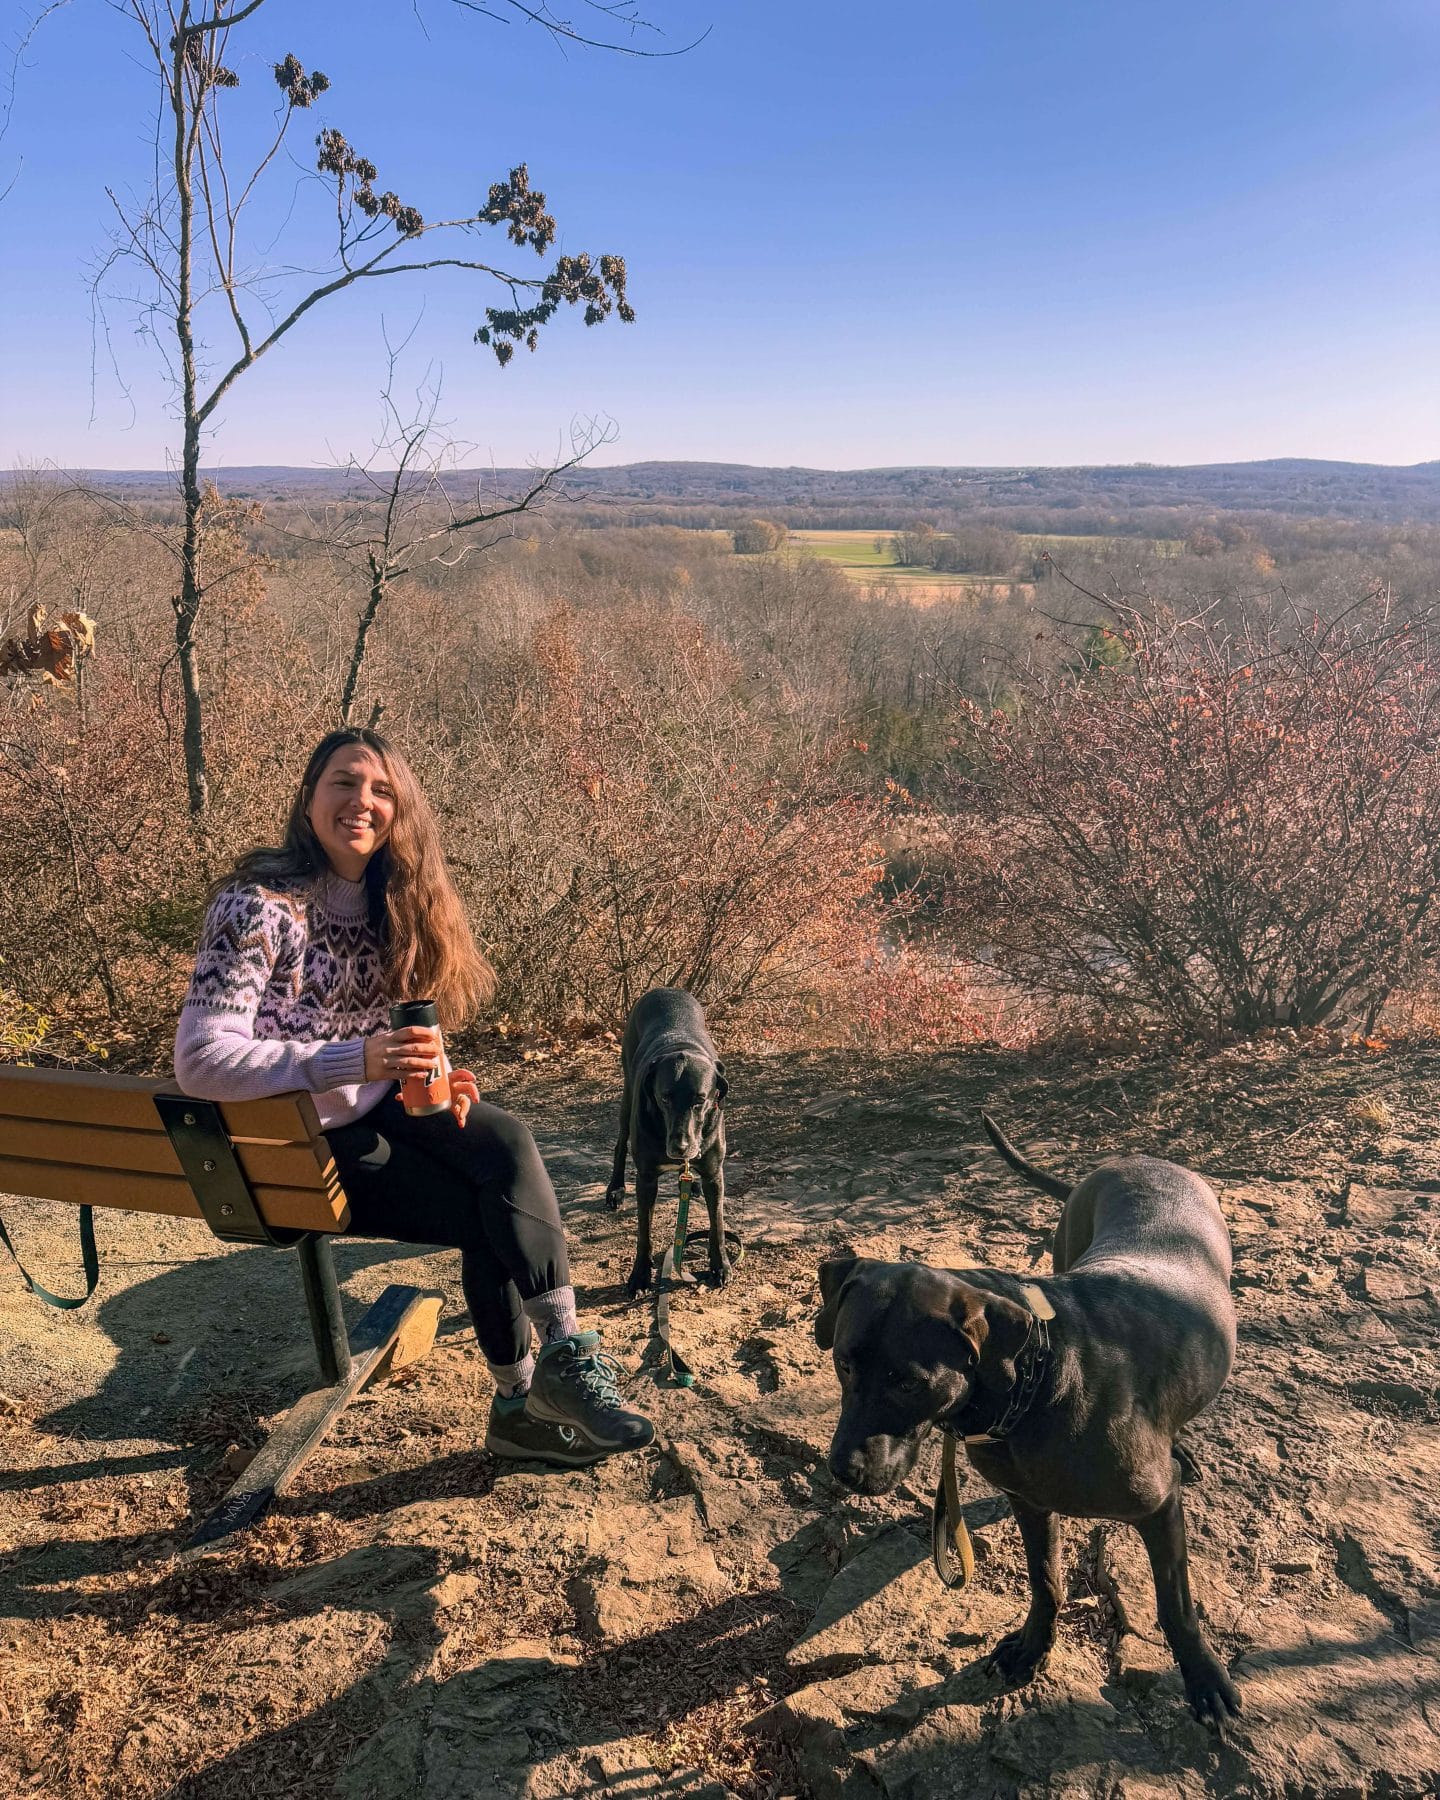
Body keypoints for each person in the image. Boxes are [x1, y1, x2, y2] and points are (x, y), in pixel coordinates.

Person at [174, 726, 654, 1467]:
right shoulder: (259, 905)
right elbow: (201, 1061)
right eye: (343, 782)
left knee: (504, 1141)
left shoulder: (394, 903)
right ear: (308, 801)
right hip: (292, 1145)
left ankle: (562, 1362)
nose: (361, 801)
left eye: (382, 790)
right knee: (486, 1215)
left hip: (373, 1107)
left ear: (401, 812)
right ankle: (519, 1406)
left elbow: (397, 1030)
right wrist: (352, 1058)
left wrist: (436, 1072)